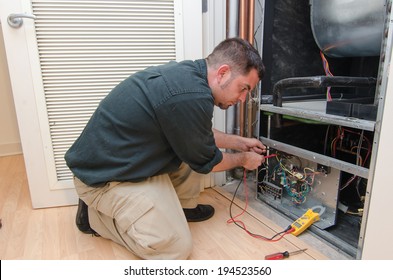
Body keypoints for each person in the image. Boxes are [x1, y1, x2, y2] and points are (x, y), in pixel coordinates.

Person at [65, 37, 267, 260]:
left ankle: (181, 208)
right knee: (174, 249)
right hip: (102, 179)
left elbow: (197, 133)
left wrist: (240, 142)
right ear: (223, 73)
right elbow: (210, 161)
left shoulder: (191, 76)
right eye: (243, 88)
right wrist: (243, 160)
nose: (242, 98)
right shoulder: (192, 96)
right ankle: (94, 218)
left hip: (121, 161)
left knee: (192, 147)